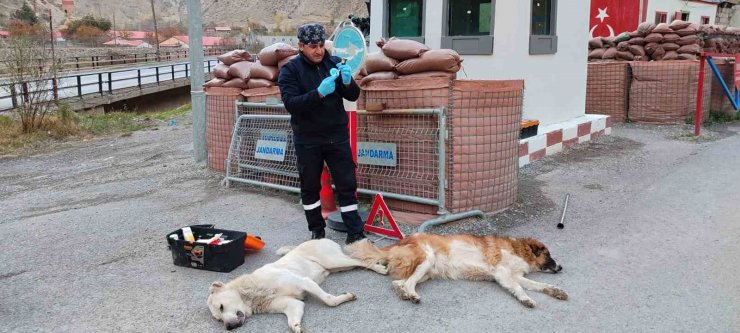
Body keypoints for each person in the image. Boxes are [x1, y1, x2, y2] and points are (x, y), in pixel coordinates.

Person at [277, 23, 366, 244]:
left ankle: (354, 232)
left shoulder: (334, 63)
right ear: (300, 46)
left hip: (336, 135)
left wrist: (347, 82)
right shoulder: (291, 70)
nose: (318, 50)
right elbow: (291, 104)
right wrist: (318, 93)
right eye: (312, 46)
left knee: (346, 183)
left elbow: (353, 96)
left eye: (320, 45)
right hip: (308, 139)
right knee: (310, 186)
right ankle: (317, 230)